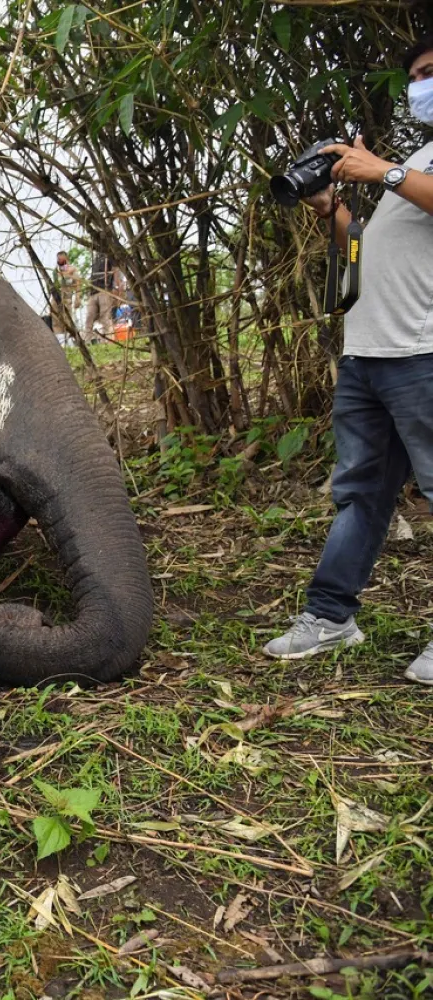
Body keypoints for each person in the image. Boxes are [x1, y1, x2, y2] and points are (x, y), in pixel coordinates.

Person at [264, 35, 433, 685]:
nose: (420, 82)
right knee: (360, 495)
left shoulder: (406, 169)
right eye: (415, 75)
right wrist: (331, 207)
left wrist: (381, 171)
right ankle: (330, 617)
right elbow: (365, 252)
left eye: (431, 71)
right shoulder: (418, 157)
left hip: (422, 353)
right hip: (367, 352)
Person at [82, 251, 115, 342]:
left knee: (105, 318)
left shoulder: (109, 256)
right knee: (89, 317)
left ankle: (108, 340)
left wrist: (115, 289)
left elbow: (115, 271)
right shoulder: (95, 258)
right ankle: (87, 341)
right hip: (93, 292)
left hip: (104, 290)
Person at [52, 251, 82, 344]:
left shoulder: (73, 270)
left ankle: (69, 342)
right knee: (56, 320)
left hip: (67, 298)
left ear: (66, 258)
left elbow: (78, 284)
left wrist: (78, 297)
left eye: (61, 258)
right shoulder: (55, 271)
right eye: (58, 258)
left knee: (68, 320)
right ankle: (60, 342)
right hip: (56, 298)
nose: (59, 260)